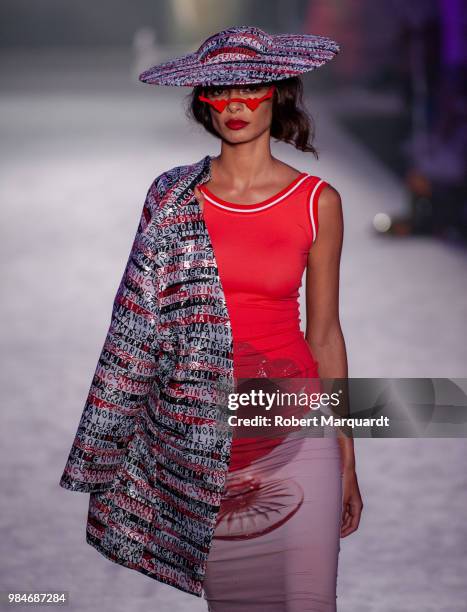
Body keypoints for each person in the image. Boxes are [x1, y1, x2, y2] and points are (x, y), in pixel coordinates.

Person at [60, 26, 363, 610]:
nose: (236, 104)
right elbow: (137, 329)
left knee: (310, 601)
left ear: (277, 92)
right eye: (220, 90)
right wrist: (120, 440)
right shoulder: (173, 199)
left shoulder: (317, 202)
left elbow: (324, 334)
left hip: (301, 434)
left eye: (250, 87)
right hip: (206, 447)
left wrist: (348, 456)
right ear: (203, 100)